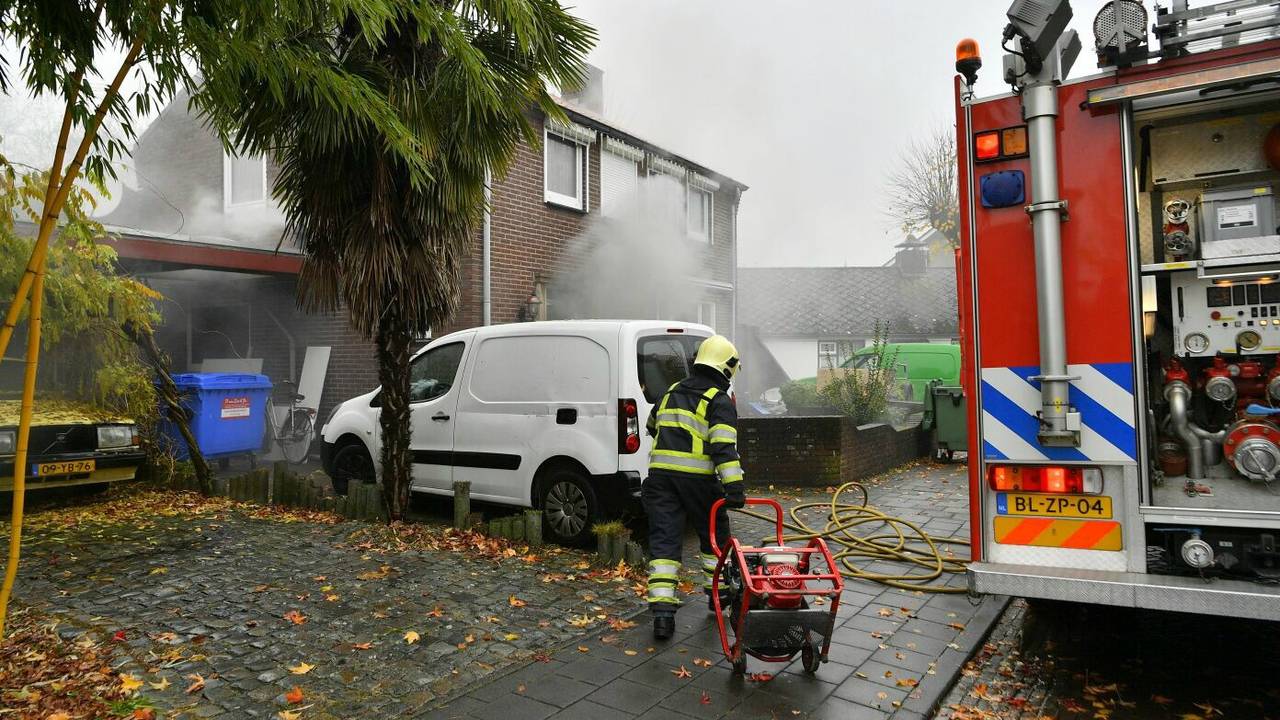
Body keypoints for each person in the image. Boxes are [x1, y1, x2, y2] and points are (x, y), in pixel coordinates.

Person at [643, 334, 746, 641]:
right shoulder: (719, 401)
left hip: (660, 480)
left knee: (664, 543)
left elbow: (652, 426)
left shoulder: (669, 392)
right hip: (699, 482)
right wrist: (735, 488)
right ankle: (720, 598)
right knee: (714, 539)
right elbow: (723, 448)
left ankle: (662, 617)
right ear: (727, 368)